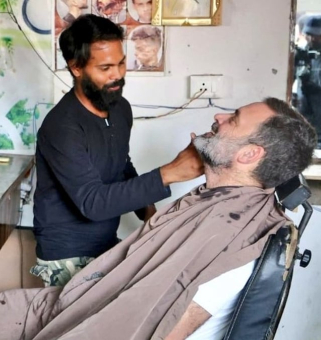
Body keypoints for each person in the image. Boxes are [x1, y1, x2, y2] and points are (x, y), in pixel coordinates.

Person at [0, 97, 316, 340]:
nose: (219, 115)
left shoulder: (234, 238)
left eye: (234, 119)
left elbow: (165, 326)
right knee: (14, 305)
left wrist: (167, 175)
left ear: (249, 154)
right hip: (81, 278)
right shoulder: (221, 205)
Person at [32, 15, 203, 287]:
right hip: (67, 254)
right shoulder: (62, 127)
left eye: (121, 63)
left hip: (105, 242)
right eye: (105, 67)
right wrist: (168, 174)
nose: (118, 74)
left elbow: (121, 164)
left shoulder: (119, 107)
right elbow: (93, 203)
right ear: (76, 67)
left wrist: (149, 214)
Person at [295, 15, 321, 149]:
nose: (312, 39)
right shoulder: (303, 51)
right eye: (309, 34)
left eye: (317, 35)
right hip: (305, 114)